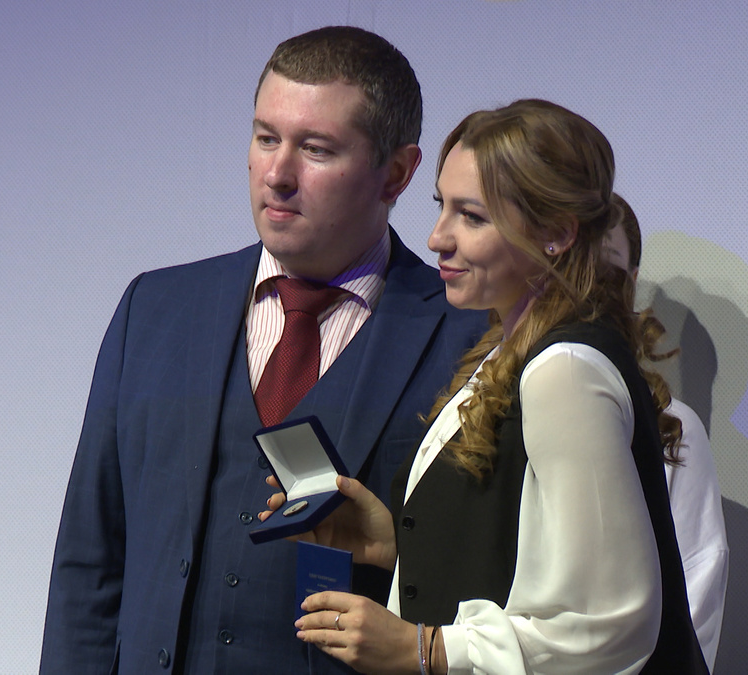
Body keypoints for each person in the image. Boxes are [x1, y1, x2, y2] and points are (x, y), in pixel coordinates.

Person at [39, 26, 486, 674]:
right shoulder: (155, 309)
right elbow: (90, 557)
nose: (277, 175)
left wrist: (402, 555)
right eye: (266, 138)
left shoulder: (471, 339)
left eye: (316, 149)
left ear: (396, 173)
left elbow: (504, 579)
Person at [262, 100, 708, 673]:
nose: (436, 238)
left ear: (556, 234)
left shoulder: (565, 369)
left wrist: (425, 649)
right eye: (441, 207)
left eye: (471, 216)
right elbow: (519, 553)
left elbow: (609, 621)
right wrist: (396, 542)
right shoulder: (513, 351)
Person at [604, 194, 729, 671]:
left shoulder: (675, 430)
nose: (583, 283)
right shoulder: (488, 400)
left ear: (632, 280)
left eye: (605, 264)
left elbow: (696, 591)